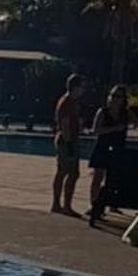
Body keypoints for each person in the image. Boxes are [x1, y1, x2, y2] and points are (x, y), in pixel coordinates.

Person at [88, 85, 129, 225]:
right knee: (97, 178)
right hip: (103, 147)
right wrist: (114, 128)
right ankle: (94, 205)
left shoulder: (125, 114)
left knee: (113, 179)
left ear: (123, 99)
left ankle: (111, 204)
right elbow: (96, 130)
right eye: (113, 95)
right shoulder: (103, 112)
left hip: (118, 150)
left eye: (118, 96)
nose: (114, 99)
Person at [51, 73, 85, 214]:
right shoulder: (67, 102)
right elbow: (65, 124)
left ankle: (59, 204)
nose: (83, 90)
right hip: (67, 141)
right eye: (82, 87)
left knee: (63, 172)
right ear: (75, 87)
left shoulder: (70, 102)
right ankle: (64, 205)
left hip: (68, 139)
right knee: (70, 173)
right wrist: (70, 143)